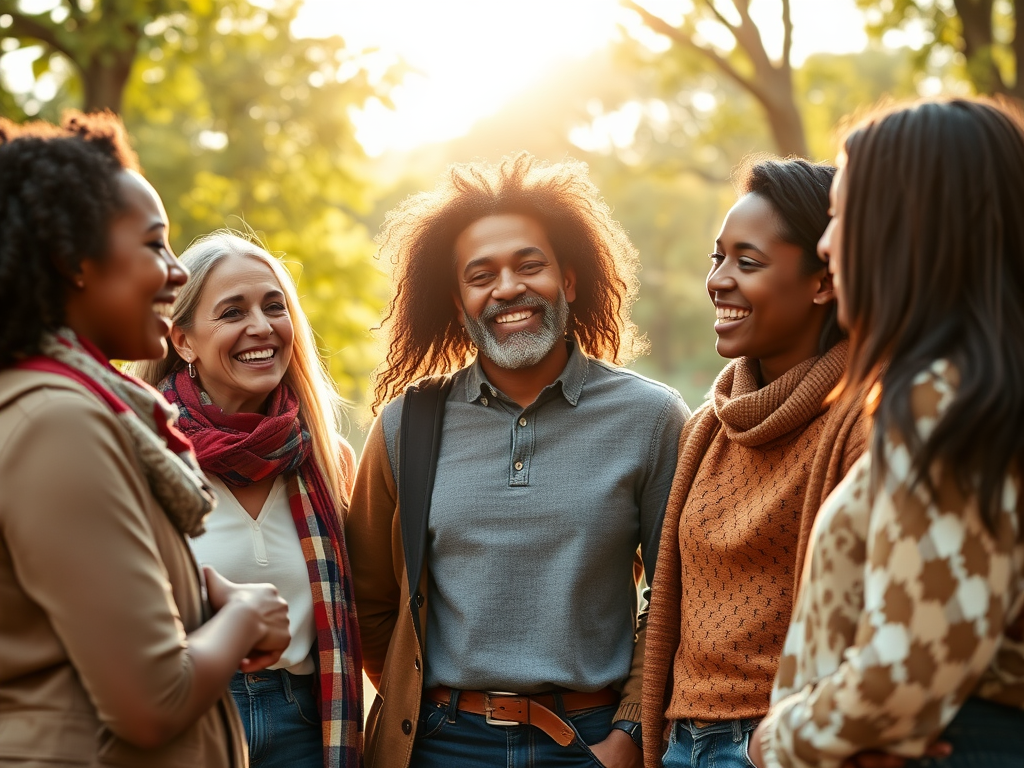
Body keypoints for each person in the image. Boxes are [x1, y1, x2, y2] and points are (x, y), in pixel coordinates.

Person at [345, 152, 689, 768]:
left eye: (530, 265)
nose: (507, 288)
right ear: (457, 303)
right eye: (481, 276)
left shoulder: (651, 418)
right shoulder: (407, 425)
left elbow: (675, 597)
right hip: (440, 744)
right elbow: (370, 599)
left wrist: (630, 732)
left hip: (591, 741)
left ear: (572, 280)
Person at [0, 113, 291, 765]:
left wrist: (206, 590)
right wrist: (246, 614)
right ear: (73, 262)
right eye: (154, 245)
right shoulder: (57, 421)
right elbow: (152, 704)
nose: (176, 272)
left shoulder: (70, 405)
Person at [747, 97, 1024, 768]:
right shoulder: (969, 389)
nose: (825, 242)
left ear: (906, 227)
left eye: (842, 215)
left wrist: (771, 742)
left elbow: (903, 672)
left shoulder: (948, 399)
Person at [640, 157, 870, 768]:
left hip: (781, 744)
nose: (718, 280)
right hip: (679, 743)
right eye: (717, 258)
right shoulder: (707, 428)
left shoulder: (859, 427)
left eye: (748, 262)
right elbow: (664, 603)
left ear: (823, 280)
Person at [131, 231, 363, 768]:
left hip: (303, 726)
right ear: (182, 340)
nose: (261, 326)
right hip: (184, 720)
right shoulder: (139, 453)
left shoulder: (329, 462)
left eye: (274, 306)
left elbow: (374, 612)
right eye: (232, 312)